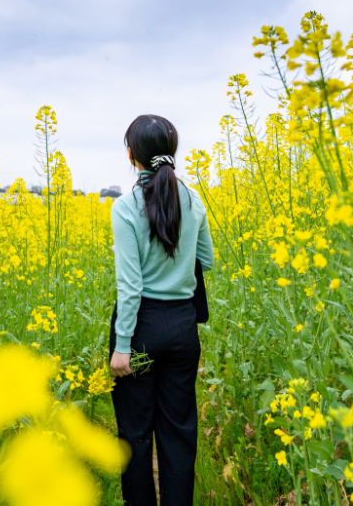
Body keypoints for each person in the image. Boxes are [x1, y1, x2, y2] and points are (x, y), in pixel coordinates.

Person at [108, 114, 214, 506]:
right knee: (179, 432)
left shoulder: (126, 206)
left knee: (135, 433)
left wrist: (122, 346)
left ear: (132, 155)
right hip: (183, 327)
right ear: (172, 152)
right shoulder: (193, 198)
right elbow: (207, 258)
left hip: (141, 329)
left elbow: (131, 286)